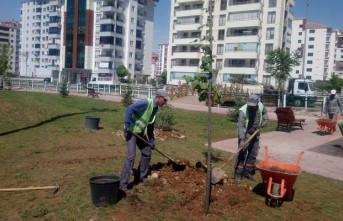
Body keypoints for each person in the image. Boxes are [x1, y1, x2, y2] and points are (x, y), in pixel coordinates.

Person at [119, 89, 170, 194]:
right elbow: (129, 108)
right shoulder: (146, 103)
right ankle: (122, 185)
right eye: (164, 100)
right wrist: (127, 125)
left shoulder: (155, 109)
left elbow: (150, 126)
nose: (165, 103)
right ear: (159, 98)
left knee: (147, 151)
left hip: (140, 134)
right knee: (131, 156)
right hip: (131, 132)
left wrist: (151, 140)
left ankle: (141, 176)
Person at [235, 94, 268, 182]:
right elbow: (241, 126)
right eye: (250, 105)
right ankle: (238, 173)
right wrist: (241, 139)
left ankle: (247, 171)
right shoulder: (243, 110)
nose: (252, 107)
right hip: (245, 134)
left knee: (253, 154)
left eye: (254, 105)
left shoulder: (261, 105)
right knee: (242, 153)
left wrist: (266, 120)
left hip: (256, 133)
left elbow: (265, 113)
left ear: (257, 102)